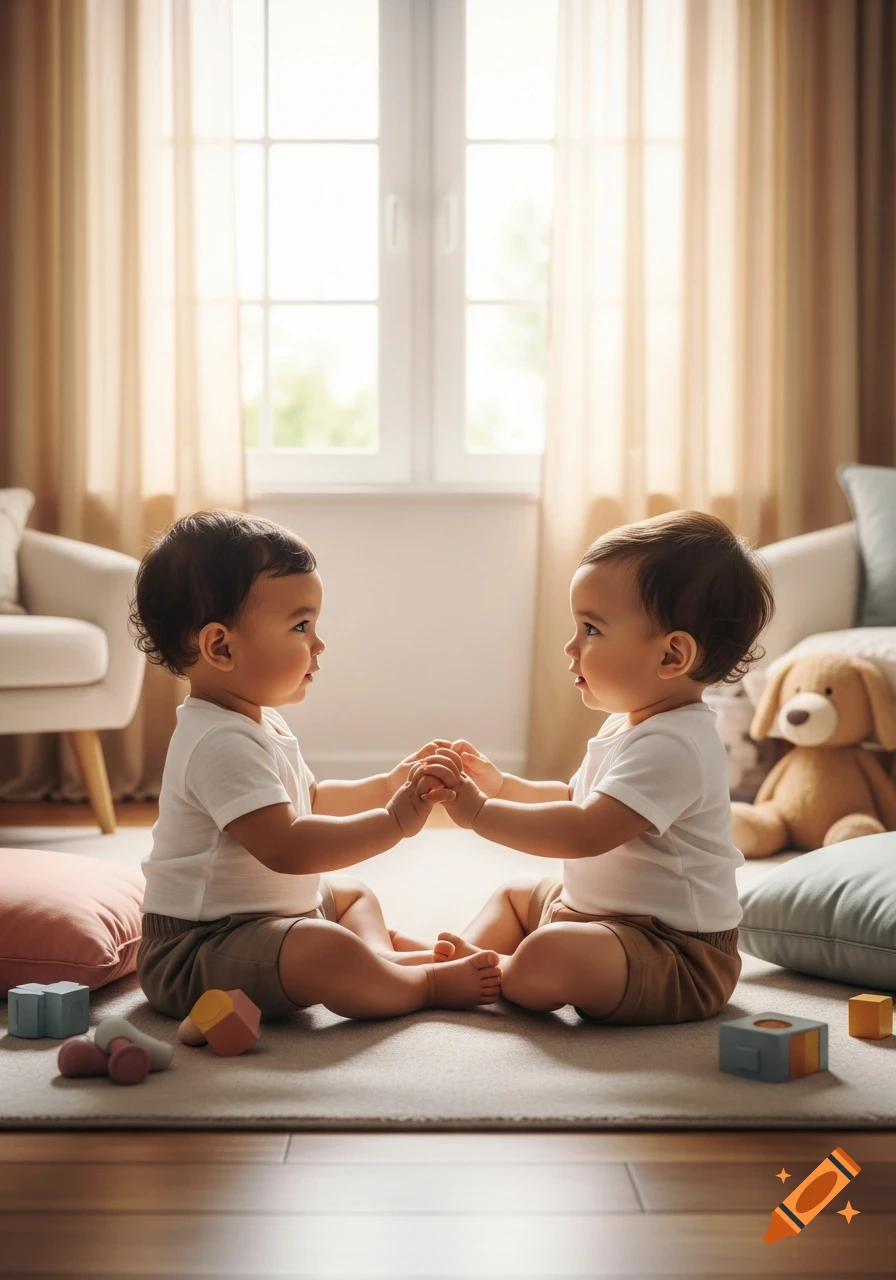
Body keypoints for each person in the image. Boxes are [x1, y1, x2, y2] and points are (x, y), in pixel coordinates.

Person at [129, 510, 501, 1036]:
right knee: (322, 947)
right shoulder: (217, 742)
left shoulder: (260, 723)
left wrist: (390, 783)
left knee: (348, 895)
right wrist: (394, 822)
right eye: (301, 626)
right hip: (198, 952)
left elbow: (313, 799)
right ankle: (425, 986)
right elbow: (289, 846)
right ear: (221, 647)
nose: (319, 644)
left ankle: (376, 962)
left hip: (262, 923)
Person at [419, 510, 775, 1026]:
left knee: (550, 955)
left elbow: (585, 832)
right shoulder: (628, 723)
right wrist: (503, 786)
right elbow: (574, 800)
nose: (570, 647)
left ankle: (495, 970)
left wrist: (479, 813)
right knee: (518, 895)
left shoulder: (676, 745)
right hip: (596, 918)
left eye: (591, 629)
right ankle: (459, 961)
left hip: (674, 953)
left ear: (672, 655)